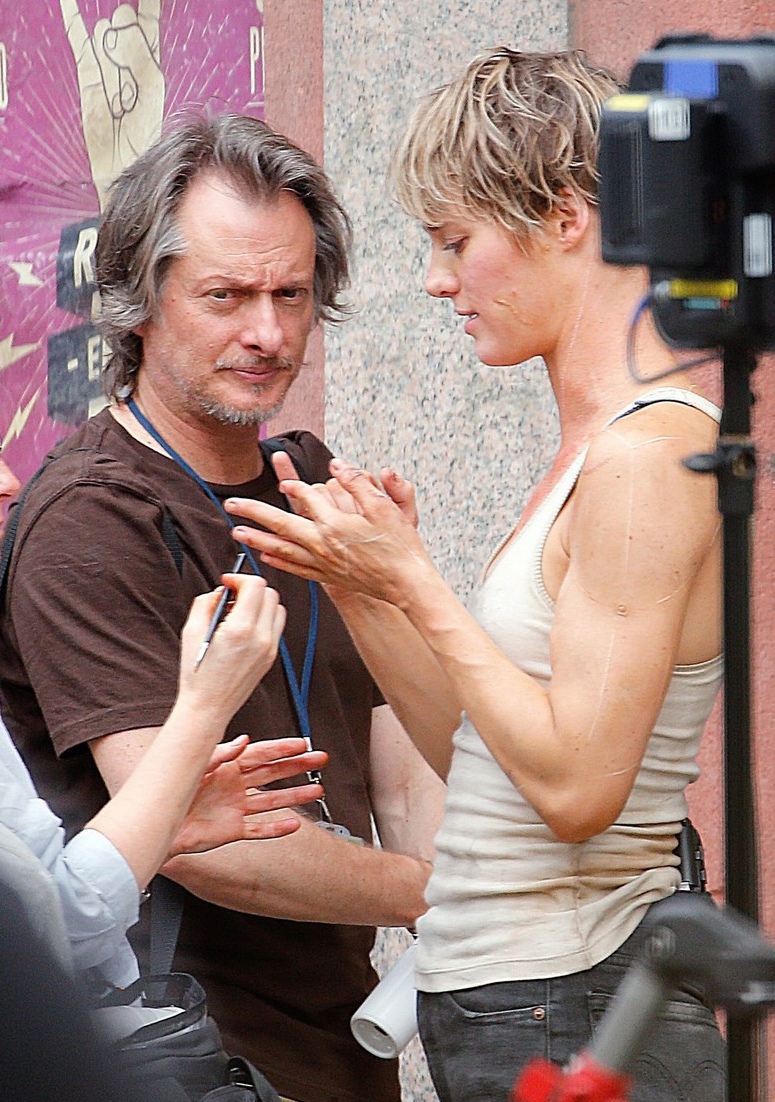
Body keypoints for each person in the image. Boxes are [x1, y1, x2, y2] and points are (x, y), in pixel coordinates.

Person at [220, 49, 727, 1102]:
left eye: (455, 240)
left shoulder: (643, 455)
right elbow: (488, 755)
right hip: (526, 993)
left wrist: (417, 581)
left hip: (579, 989)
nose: (436, 279)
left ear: (565, 217)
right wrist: (367, 587)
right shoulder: (593, 452)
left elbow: (577, 791)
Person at [0, 113, 445, 1102]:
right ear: (138, 302)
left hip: (346, 1043)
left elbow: (403, 753)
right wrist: (449, 895)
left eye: (291, 294)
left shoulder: (308, 479)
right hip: (185, 1057)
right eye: (226, 296)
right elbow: (201, 843)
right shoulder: (90, 519)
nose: (269, 333)